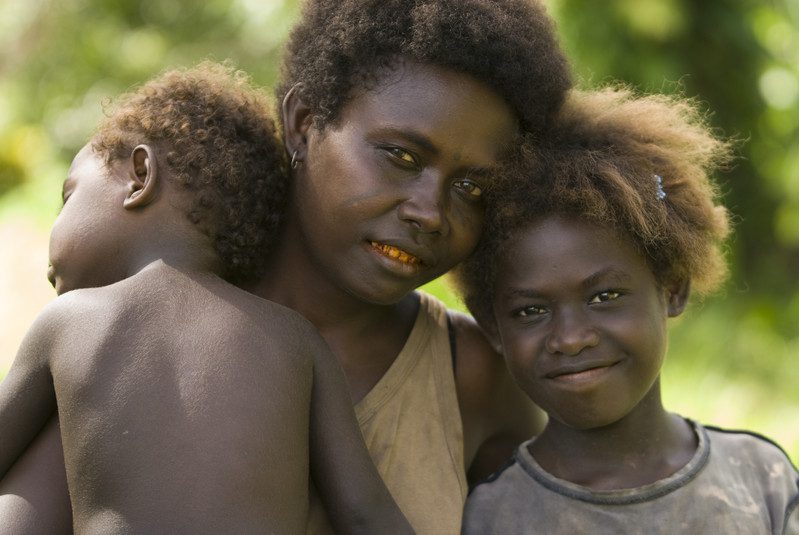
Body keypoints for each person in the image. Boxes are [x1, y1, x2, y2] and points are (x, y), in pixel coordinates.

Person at [1, 1, 573, 533]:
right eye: (401, 157)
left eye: (472, 187)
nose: (429, 212)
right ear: (303, 121)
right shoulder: (135, 337)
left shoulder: (473, 376)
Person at [0, 62, 412, 534]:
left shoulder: (70, 321)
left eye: (68, 194)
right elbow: (365, 513)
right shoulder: (297, 340)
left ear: (139, 176)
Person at [456, 87, 799, 534]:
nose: (572, 337)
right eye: (531, 310)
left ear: (672, 288)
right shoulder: (491, 515)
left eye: (605, 297)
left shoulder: (760, 480)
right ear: (492, 325)